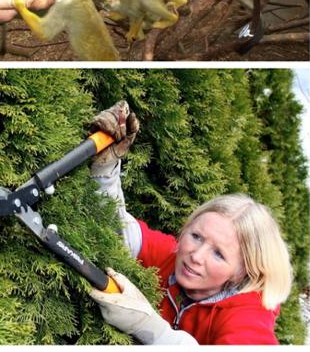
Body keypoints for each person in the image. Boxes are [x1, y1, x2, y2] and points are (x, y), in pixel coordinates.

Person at [86, 102, 294, 345]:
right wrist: (106, 167)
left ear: (242, 273)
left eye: (219, 254)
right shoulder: (172, 258)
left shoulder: (249, 315)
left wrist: (149, 327)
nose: (196, 255)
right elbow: (118, 230)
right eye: (196, 236)